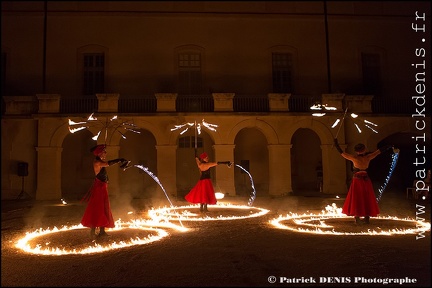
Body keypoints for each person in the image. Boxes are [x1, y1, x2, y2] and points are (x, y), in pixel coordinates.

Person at [334, 138, 393, 224]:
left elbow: (342, 153)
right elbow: (378, 151)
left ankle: (357, 217)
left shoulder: (353, 158)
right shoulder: (368, 157)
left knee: (357, 198)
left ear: (356, 151)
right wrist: (388, 146)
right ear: (364, 149)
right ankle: (367, 217)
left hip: (357, 180)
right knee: (366, 197)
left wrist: (336, 144)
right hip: (365, 179)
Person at [81, 144, 128, 238]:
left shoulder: (99, 161)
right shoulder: (97, 162)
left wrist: (120, 160)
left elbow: (106, 163)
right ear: (99, 153)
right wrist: (119, 160)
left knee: (103, 208)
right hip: (99, 189)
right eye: (104, 151)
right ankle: (93, 232)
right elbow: (108, 163)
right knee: (98, 208)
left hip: (102, 187)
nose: (105, 153)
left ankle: (102, 231)